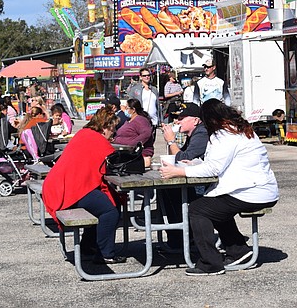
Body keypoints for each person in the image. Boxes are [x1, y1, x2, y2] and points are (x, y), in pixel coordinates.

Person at [160, 98, 279, 276]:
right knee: (212, 204)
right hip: (259, 189)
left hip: (251, 191)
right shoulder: (239, 130)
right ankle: (239, 250)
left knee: (198, 209)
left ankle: (210, 263)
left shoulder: (223, 135)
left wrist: (180, 172)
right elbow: (216, 162)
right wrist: (194, 163)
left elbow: (214, 167)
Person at [42, 108, 125, 264]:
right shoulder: (98, 140)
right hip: (68, 190)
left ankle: (88, 246)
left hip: (59, 186)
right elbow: (114, 162)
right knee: (109, 210)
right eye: (113, 129)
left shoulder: (84, 133)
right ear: (105, 126)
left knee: (107, 202)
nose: (113, 132)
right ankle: (105, 253)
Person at [158, 102, 210, 251]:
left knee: (170, 191)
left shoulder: (201, 133)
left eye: (181, 118)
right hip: (195, 181)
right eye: (176, 118)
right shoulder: (193, 134)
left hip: (203, 185)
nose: (177, 121)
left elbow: (183, 157)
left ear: (195, 120)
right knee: (165, 190)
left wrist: (171, 140)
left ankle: (181, 238)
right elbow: (178, 159)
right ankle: (178, 237)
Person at [112, 98, 156, 167]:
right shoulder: (128, 121)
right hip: (124, 152)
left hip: (137, 154)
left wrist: (132, 145)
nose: (125, 110)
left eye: (127, 108)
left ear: (133, 110)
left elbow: (146, 133)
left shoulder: (141, 120)